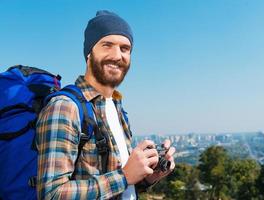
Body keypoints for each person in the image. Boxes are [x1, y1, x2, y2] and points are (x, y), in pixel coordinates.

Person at [36, 10, 176, 200]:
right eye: (107, 45)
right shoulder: (65, 108)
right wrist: (124, 176)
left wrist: (148, 177)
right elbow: (51, 194)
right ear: (89, 54)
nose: (117, 56)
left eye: (125, 48)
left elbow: (120, 187)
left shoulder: (117, 109)